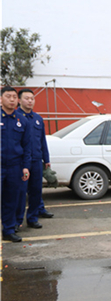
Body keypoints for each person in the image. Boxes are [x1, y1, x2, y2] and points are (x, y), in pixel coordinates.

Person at [16, 89, 54, 229]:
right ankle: (17, 221)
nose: (30, 101)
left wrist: (46, 158)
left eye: (32, 98)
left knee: (36, 190)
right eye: (27, 98)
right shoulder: (15, 117)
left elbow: (42, 140)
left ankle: (32, 218)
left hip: (36, 160)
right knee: (20, 193)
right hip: (20, 162)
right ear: (19, 100)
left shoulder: (38, 119)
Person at [1, 86, 31, 242]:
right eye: (8, 96)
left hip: (15, 167)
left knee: (11, 200)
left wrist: (26, 166)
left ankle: (8, 229)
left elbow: (27, 146)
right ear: (1, 99)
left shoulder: (22, 120)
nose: (12, 99)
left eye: (14, 97)